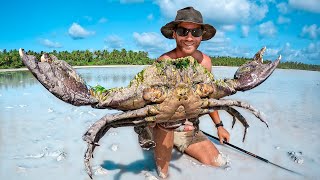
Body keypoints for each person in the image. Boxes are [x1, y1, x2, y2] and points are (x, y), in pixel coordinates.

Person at [137, 7, 231, 178]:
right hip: (163, 124)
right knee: (162, 175)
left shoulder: (205, 62)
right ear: (174, 34)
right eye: (183, 31)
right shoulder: (164, 62)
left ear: (202, 35)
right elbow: (153, 103)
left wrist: (220, 126)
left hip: (188, 127)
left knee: (217, 162)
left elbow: (208, 97)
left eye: (195, 32)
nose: (189, 38)